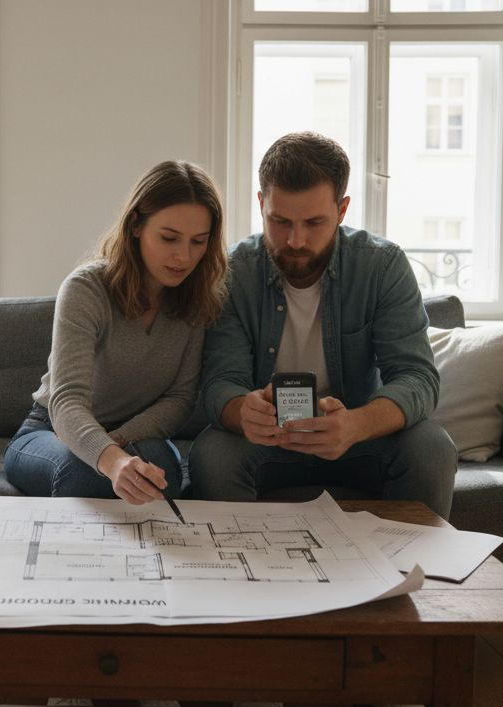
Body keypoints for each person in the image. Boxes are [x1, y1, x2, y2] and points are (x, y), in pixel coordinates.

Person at [190, 131, 457, 520]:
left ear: (342, 209)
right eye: (279, 221)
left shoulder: (382, 266)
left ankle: (409, 561)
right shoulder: (233, 272)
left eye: (314, 222)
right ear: (261, 204)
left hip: (359, 437)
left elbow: (417, 377)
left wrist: (355, 424)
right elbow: (221, 381)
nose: (296, 241)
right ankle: (240, 561)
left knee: (432, 447)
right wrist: (241, 410)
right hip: (268, 441)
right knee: (213, 454)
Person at [3, 160, 228, 505]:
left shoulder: (198, 300)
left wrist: (119, 442)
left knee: (161, 470)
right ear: (136, 225)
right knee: (83, 471)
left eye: (198, 242)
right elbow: (67, 400)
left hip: (135, 434)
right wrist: (111, 459)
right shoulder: (86, 288)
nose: (184, 256)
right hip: (52, 429)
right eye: (169, 238)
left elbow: (180, 399)